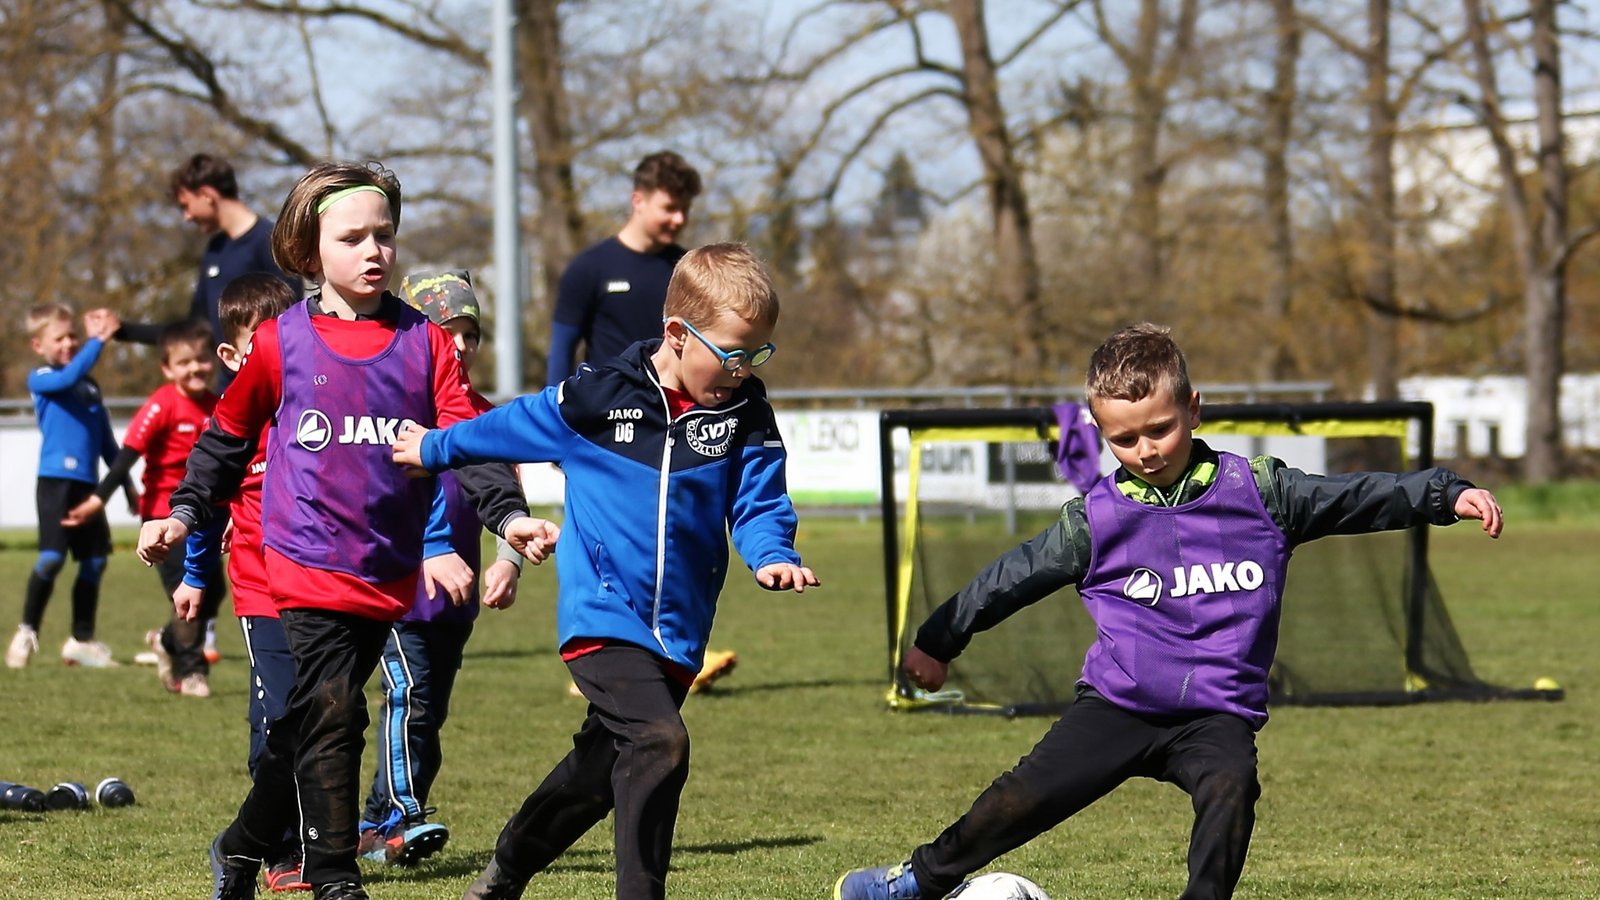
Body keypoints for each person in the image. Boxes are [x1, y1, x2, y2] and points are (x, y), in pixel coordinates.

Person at [832, 323, 1506, 900]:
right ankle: (916, 881)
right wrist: (937, 640)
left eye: (1159, 428)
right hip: (1119, 705)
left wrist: (1447, 493)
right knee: (1018, 799)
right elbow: (1012, 577)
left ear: (1194, 409)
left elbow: (1360, 495)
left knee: (1230, 785)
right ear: (1099, 432)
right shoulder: (1095, 519)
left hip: (1215, 713)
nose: (1146, 450)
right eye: (1124, 439)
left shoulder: (1263, 493)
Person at [136, 160, 559, 900]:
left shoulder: (425, 343)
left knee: (304, 720)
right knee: (336, 709)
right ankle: (334, 877)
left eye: (385, 235)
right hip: (297, 557)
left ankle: (239, 846)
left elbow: (467, 442)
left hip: (384, 567)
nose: (375, 251)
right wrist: (181, 513)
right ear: (310, 253)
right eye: (353, 236)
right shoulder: (281, 342)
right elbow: (226, 440)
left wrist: (510, 517)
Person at [392, 241, 820, 900]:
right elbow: (507, 426)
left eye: (758, 354)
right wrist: (434, 446)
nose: (744, 370)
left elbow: (759, 501)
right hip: (602, 617)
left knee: (598, 773)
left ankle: (506, 869)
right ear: (678, 334)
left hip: (678, 634)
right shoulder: (600, 396)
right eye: (733, 353)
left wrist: (773, 555)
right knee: (659, 741)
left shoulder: (746, 411)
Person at [356, 270, 528, 867]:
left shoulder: (484, 416)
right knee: (408, 698)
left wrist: (507, 560)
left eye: (470, 333)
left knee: (429, 716)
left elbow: (507, 493)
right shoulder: (392, 412)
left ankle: (375, 825)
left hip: (455, 600)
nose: (459, 345)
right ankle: (404, 815)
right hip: (399, 592)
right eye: (443, 331)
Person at [169, 272, 308, 890]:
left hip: (322, 591)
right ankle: (275, 847)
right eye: (263, 340)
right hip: (260, 593)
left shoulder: (311, 409)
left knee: (316, 718)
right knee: (281, 719)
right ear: (231, 355)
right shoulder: (232, 425)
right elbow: (204, 502)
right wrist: (196, 577)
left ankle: (306, 846)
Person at [63, 319, 225, 696]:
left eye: (201, 360)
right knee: (189, 593)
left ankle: (167, 641)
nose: (195, 368)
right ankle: (190, 672)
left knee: (214, 589)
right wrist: (97, 499)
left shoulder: (219, 405)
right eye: (184, 362)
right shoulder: (162, 404)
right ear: (167, 369)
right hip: (163, 517)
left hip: (206, 516)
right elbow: (125, 457)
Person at [6, 304, 128, 669]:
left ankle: (82, 639)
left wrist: (127, 486)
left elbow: (107, 441)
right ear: (37, 345)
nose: (69, 343)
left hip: (89, 487)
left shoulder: (89, 385)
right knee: (52, 557)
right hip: (56, 482)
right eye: (59, 338)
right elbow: (67, 376)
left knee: (93, 562)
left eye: (72, 336)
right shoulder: (41, 377)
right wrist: (97, 342)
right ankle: (27, 631)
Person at [545, 150, 702, 385]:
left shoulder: (689, 270)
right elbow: (561, 353)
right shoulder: (589, 268)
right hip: (608, 413)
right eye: (670, 208)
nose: (679, 219)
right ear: (638, 201)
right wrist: (558, 417)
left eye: (685, 209)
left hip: (673, 412)